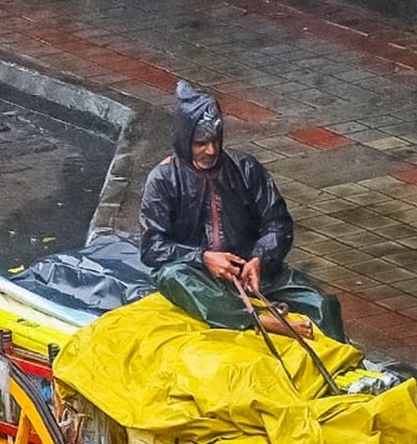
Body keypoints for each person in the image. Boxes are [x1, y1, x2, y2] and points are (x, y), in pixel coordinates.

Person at [139, 80, 346, 341]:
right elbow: (152, 248)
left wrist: (259, 258)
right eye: (201, 143)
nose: (211, 150)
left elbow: (278, 223)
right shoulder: (163, 179)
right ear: (184, 140)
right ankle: (258, 321)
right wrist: (203, 257)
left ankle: (347, 366)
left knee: (322, 303)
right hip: (200, 275)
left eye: (215, 141)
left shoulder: (245, 168)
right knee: (172, 275)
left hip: (252, 272)